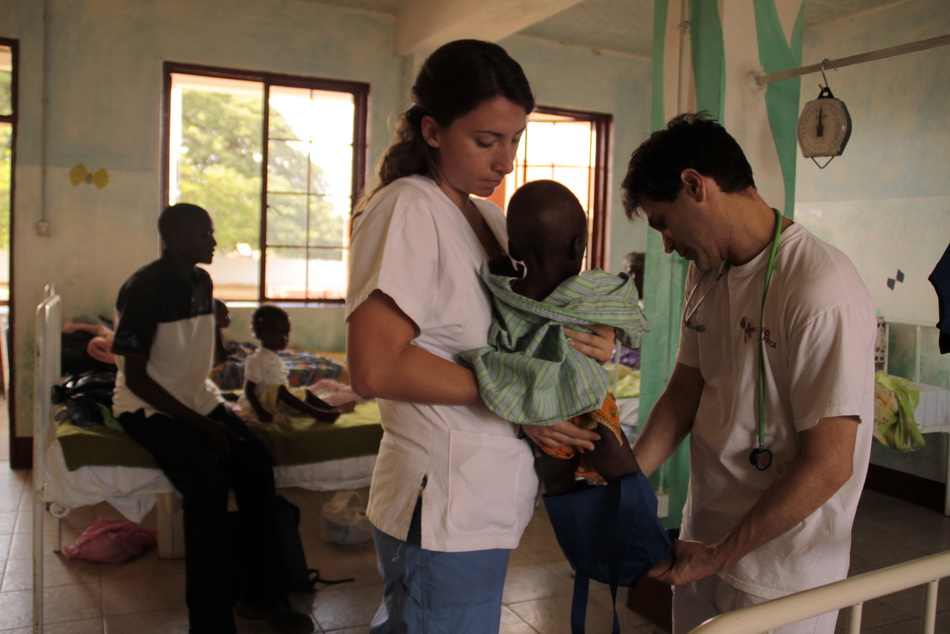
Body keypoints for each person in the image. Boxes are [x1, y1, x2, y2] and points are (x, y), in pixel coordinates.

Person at [345, 40, 616, 633]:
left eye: (515, 139)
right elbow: (374, 367)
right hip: (442, 500)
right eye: (487, 140)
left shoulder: (489, 218)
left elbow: (515, 338)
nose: (505, 162)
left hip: (482, 497)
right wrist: (520, 400)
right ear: (433, 131)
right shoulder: (408, 208)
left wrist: (592, 336)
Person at [621, 113, 876, 633]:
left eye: (663, 222)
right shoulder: (706, 274)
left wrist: (721, 554)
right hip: (702, 543)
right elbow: (684, 393)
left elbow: (830, 464)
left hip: (783, 572)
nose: (666, 244)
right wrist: (623, 482)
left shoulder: (819, 287)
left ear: (695, 185)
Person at [110, 203, 314, 634]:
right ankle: (209, 622)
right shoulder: (144, 288)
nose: (215, 242)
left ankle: (262, 597)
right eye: (206, 234)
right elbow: (136, 378)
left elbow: (202, 354)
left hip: (197, 398)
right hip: (146, 406)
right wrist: (204, 426)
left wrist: (214, 396)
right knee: (207, 485)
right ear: (178, 239)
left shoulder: (201, 282)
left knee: (256, 464)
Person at [242, 304, 343, 423]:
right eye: (278, 333)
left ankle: (330, 408)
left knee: (304, 392)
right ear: (261, 333)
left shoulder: (273, 357)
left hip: (278, 400)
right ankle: (318, 414)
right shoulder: (256, 360)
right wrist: (260, 412)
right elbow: (249, 390)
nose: (285, 338)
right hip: (265, 404)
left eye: (286, 333)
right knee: (280, 389)